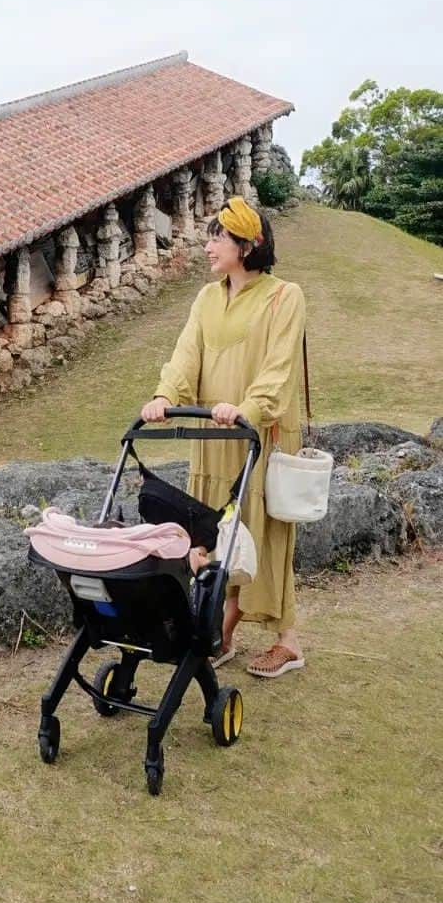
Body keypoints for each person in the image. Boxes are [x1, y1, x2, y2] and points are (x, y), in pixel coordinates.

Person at [139, 195, 306, 678]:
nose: (208, 245)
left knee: (262, 534)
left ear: (247, 246)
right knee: (219, 532)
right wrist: (164, 395)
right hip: (214, 439)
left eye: (218, 237)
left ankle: (289, 641)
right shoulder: (208, 297)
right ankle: (224, 632)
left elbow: (278, 370)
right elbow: (186, 354)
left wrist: (250, 408)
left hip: (261, 435)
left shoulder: (284, 296)